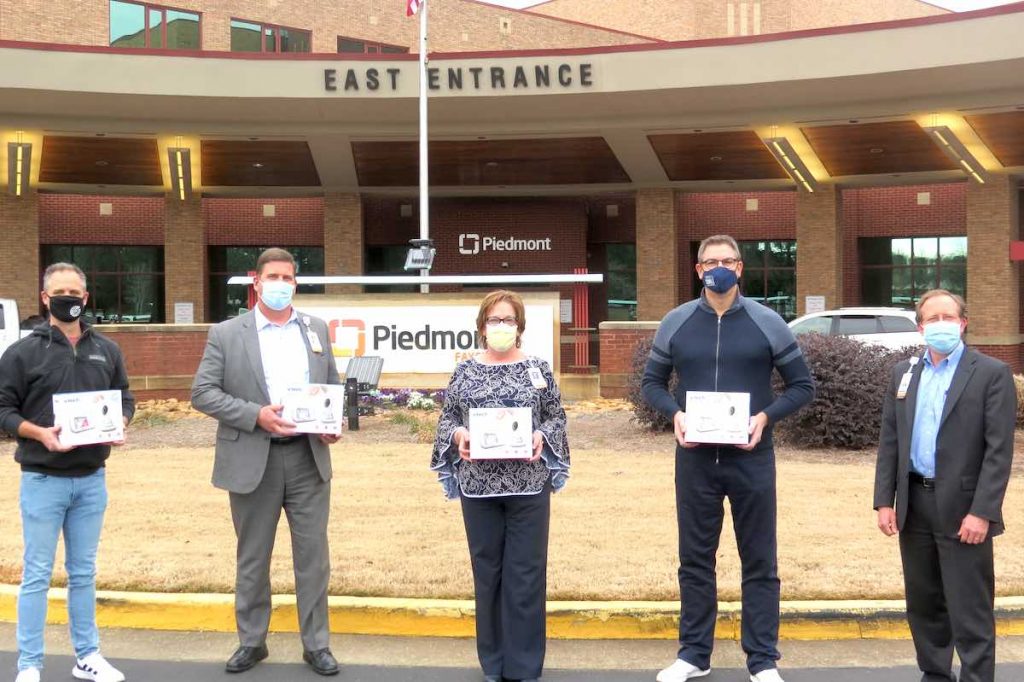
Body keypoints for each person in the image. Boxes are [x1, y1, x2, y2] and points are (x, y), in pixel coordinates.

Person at [641, 235, 815, 682]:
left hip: (752, 458)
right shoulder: (676, 322)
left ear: (739, 268)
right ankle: (694, 655)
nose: (718, 267)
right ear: (698, 270)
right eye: (709, 261)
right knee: (695, 559)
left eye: (727, 261)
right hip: (695, 460)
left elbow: (802, 386)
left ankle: (762, 661)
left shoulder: (768, 322)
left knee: (759, 559)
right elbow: (652, 384)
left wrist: (765, 418)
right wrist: (674, 415)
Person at [191, 248, 342, 676]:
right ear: (255, 281)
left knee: (313, 557)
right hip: (252, 457)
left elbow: (331, 384)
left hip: (308, 458)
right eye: (273, 276)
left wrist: (331, 423)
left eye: (289, 278)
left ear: (296, 283)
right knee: (253, 557)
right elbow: (203, 393)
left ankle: (316, 645)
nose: (281, 284)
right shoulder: (227, 333)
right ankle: (252, 641)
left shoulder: (315, 329)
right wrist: (255, 414)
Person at [0, 263, 135, 682]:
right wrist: (37, 433)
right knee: (38, 573)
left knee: (83, 572)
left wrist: (119, 424)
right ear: (45, 299)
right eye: (60, 292)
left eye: (75, 292)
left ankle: (87, 655)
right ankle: (29, 664)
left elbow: (124, 397)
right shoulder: (22, 353)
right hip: (43, 479)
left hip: (91, 480)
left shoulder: (106, 350)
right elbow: (3, 409)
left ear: (86, 298)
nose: (68, 299)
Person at [874, 289, 1015, 682]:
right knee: (924, 600)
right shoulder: (903, 373)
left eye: (948, 317)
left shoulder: (990, 374)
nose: (940, 325)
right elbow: (890, 441)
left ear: (963, 323)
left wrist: (982, 512)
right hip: (914, 504)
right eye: (931, 319)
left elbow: (998, 452)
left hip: (964, 508)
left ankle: (976, 676)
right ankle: (935, 672)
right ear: (920, 327)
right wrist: (885, 501)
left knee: (969, 603)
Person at [431, 290, 570, 682]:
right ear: (481, 327)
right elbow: (447, 420)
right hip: (479, 489)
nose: (501, 327)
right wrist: (459, 436)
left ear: (520, 327)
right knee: (488, 573)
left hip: (528, 486)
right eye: (494, 320)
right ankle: (493, 663)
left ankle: (524, 665)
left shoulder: (539, 370)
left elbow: (557, 417)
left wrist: (543, 436)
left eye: (509, 320)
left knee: (526, 574)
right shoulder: (464, 372)